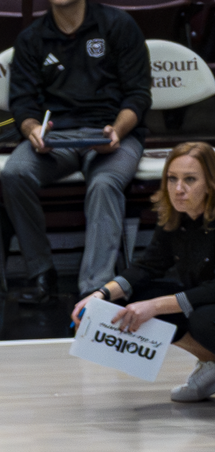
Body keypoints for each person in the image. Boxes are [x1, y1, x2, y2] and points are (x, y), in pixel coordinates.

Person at [0, 0, 151, 304]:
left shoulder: (118, 25)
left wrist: (117, 132)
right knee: (14, 173)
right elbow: (23, 105)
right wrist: (33, 131)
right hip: (58, 137)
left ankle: (95, 291)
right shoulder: (32, 38)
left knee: (105, 183)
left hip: (113, 133)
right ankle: (42, 274)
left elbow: (138, 95)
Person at [74, 140, 215, 402]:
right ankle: (211, 364)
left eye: (190, 180)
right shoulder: (176, 215)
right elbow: (148, 265)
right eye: (172, 179)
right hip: (202, 298)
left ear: (210, 183)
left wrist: (157, 306)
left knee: (203, 319)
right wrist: (100, 295)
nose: (178, 189)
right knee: (130, 298)